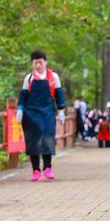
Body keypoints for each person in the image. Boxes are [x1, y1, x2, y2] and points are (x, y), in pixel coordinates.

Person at [16, 50, 66, 181]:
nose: (38, 65)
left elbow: (59, 95)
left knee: (47, 138)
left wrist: (61, 111)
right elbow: (23, 96)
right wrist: (20, 110)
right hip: (31, 114)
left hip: (48, 112)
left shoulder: (53, 77)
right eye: (35, 63)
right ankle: (36, 170)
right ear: (33, 63)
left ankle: (48, 168)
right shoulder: (29, 78)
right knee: (33, 141)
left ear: (45, 62)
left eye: (40, 62)